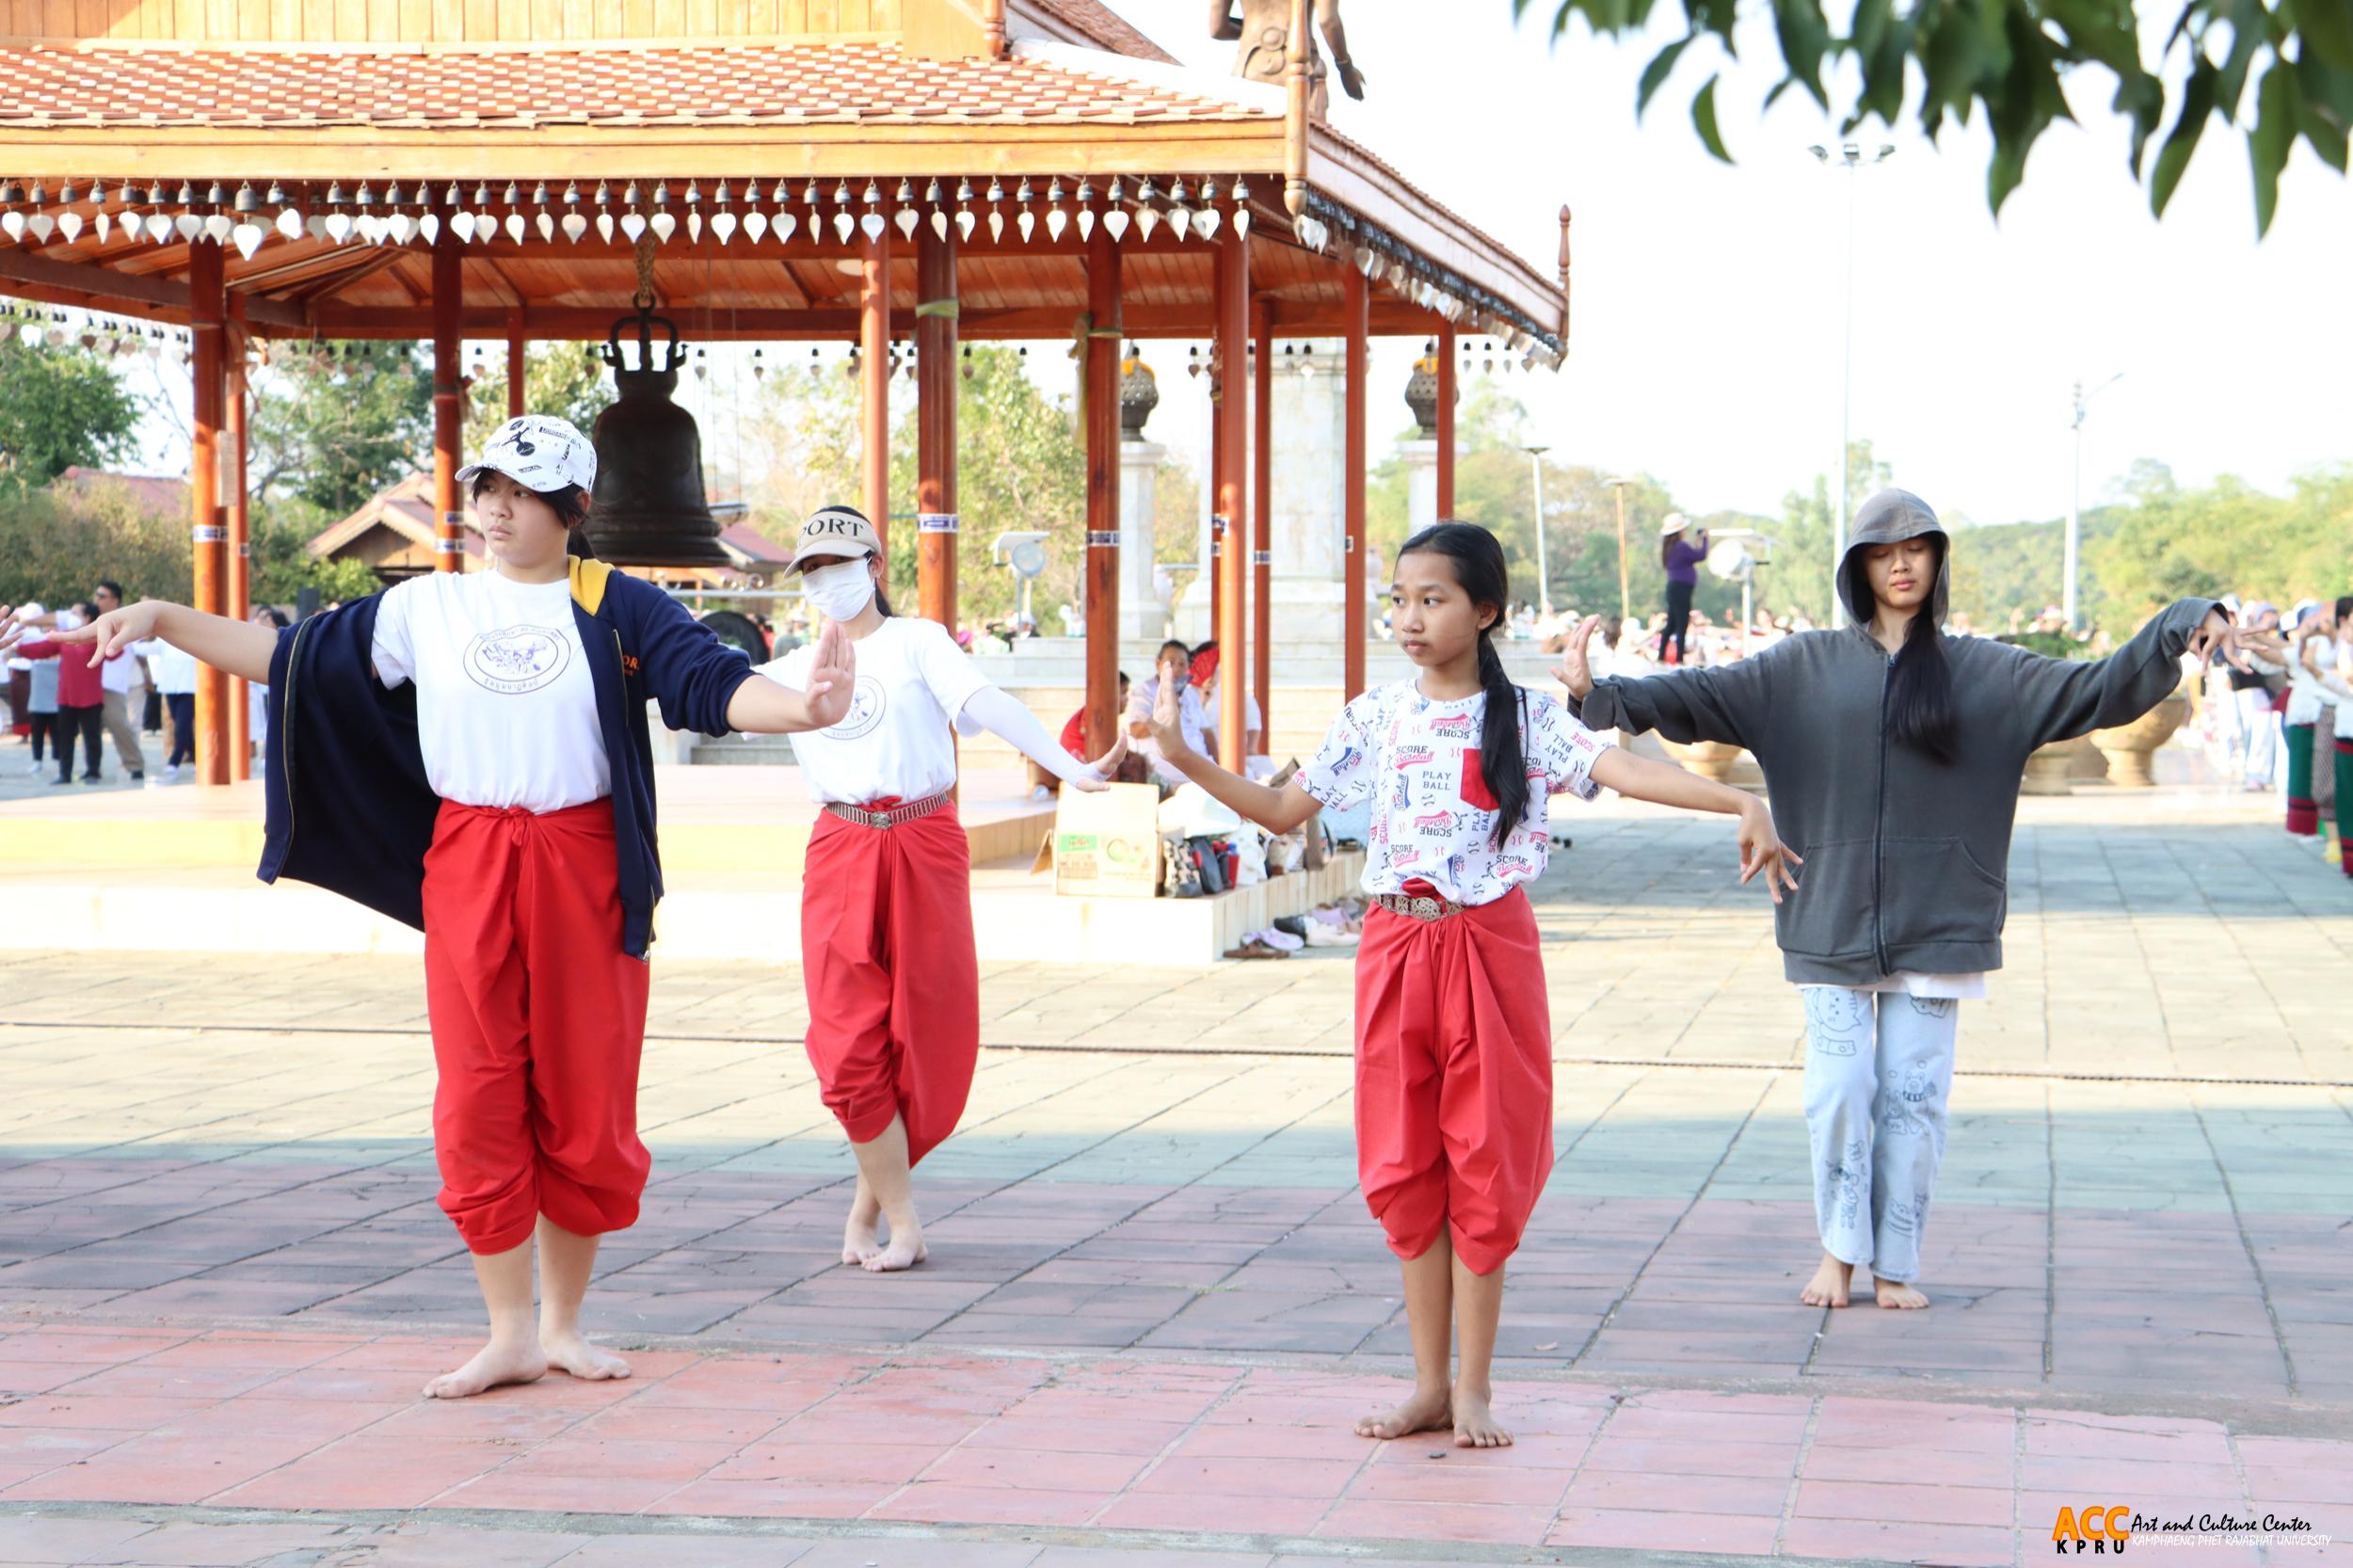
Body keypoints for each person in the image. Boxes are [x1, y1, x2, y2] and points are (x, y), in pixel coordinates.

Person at [2, 414, 857, 1400]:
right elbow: (287, 658)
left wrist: (801, 707)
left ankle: (566, 1325)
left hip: (584, 864)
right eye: (488, 486)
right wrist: (158, 614)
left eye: (522, 492)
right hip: (470, 860)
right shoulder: (427, 609)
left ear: (573, 509)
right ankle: (507, 1333)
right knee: (479, 1091)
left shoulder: (617, 604)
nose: (496, 507)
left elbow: (706, 684)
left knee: (585, 1092)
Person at [1140, 520, 1798, 1448]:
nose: (1409, 617)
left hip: (1488, 946)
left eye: (1431, 598)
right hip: (1394, 950)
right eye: (1399, 599)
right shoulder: (1374, 715)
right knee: (1405, 1162)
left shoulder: (1528, 718)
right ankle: (1426, 1386)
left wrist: (1741, 799)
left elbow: (1624, 770)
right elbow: (1285, 808)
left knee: (1483, 1159)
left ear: (1483, 610)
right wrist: (1182, 755)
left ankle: (1476, 1387)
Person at [1558, 488, 2256, 1313]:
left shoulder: (1988, 671)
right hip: (1825, 909)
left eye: (1918, 548)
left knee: (1915, 1100)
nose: (1901, 563)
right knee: (1840, 1090)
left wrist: (2185, 618)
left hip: (1942, 918)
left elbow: (2098, 689)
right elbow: (1695, 696)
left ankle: (1894, 1263)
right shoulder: (1799, 667)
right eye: (1883, 551)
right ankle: (1837, 1253)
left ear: (1938, 560)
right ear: (1857, 567)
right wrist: (1600, 695)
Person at [757, 505, 1124, 1273]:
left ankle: (875, 1212)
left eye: (839, 564)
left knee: (925, 1036)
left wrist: (1069, 766)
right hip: (841, 842)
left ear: (876, 565)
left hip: (923, 839)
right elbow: (706, 694)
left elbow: (985, 705)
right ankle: (904, 1220)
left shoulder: (916, 640)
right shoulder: (791, 665)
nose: (827, 581)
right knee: (845, 1044)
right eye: (813, 571)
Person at [14, 604, 113, 785]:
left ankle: (93, 772)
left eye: (75, 613)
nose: (70, 616)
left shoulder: (97, 637)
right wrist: (17, 649)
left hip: (90, 697)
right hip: (66, 697)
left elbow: (115, 652)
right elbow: (42, 649)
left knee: (91, 737)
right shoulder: (65, 637)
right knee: (64, 737)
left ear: (88, 618)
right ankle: (64, 774)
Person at [1127, 639, 1209, 784]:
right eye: (1171, 663)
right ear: (1158, 664)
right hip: (1168, 774)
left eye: (1182, 664)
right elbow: (1136, 731)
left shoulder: (1191, 694)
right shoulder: (1144, 692)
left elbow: (1207, 732)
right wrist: (1165, 711)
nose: (1176, 668)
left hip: (1202, 768)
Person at [91, 581, 147, 783]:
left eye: (102, 595)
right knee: (90, 729)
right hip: (90, 683)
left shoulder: (128, 619)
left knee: (118, 725)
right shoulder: (91, 617)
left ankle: (135, 764)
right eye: (96, 595)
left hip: (112, 684)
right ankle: (92, 769)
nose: (97, 599)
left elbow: (146, 636)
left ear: (115, 599)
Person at [134, 632, 200, 781]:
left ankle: (174, 761)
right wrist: (134, 635)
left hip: (189, 689)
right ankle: (197, 757)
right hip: (170, 689)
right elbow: (139, 649)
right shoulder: (165, 642)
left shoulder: (194, 642)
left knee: (182, 726)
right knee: (182, 726)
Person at [1657, 514, 1709, 664]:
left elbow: (1691, 554)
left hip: (1674, 588)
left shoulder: (1670, 548)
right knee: (1681, 623)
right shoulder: (1680, 547)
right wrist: (1705, 539)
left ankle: (1662, 656)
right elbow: (1700, 555)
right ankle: (1679, 658)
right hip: (1681, 589)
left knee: (1672, 623)